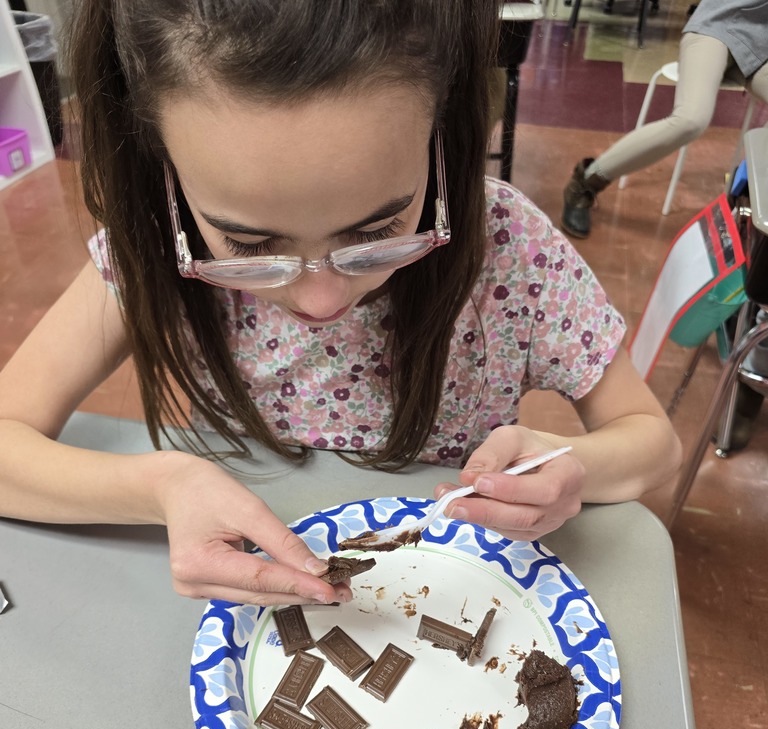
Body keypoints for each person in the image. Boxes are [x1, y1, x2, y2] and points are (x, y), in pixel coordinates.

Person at [0, 0, 681, 607]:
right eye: (248, 242)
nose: (321, 298)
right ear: (163, 167)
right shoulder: (148, 249)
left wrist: (570, 465)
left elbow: (652, 443)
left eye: (378, 231)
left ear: (440, 128)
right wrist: (162, 487)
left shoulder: (512, 251)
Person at [562, 0, 768, 239]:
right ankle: (587, 181)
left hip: (760, 48)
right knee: (691, 119)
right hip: (718, 28)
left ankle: (753, 204)